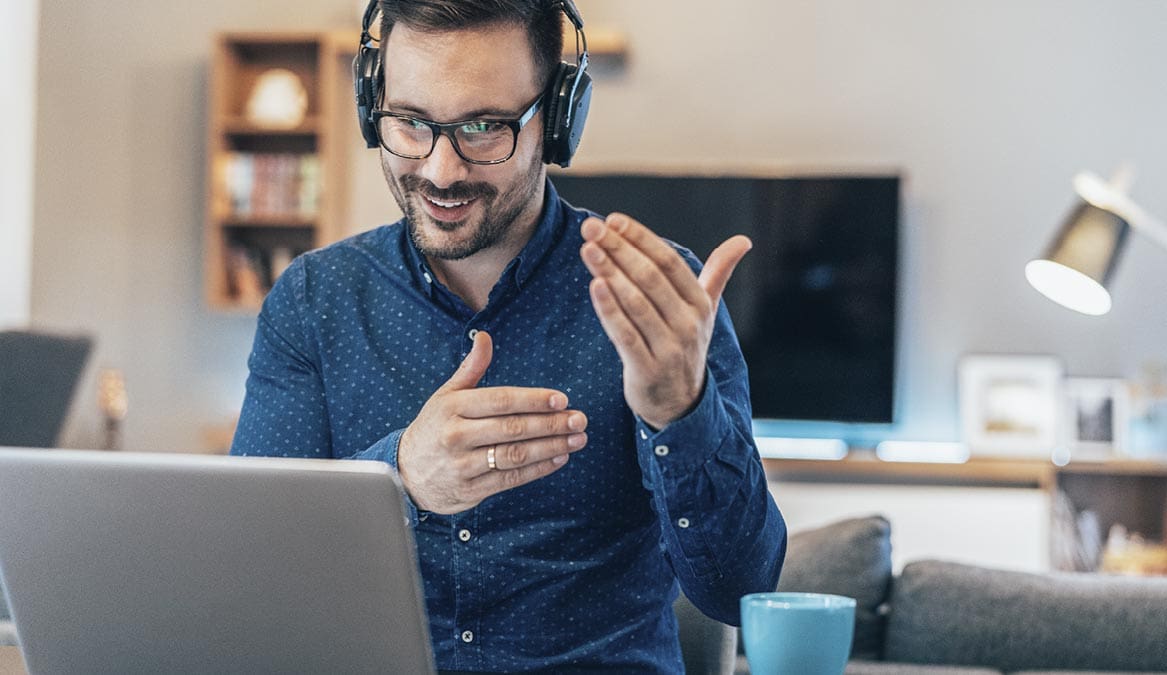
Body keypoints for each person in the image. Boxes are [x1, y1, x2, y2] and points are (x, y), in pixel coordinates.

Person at [231, 0, 786, 671]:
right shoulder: (313, 302)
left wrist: (681, 408)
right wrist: (399, 477)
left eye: (483, 127)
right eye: (409, 122)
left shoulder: (662, 300)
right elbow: (254, 570)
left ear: (555, 118)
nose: (439, 170)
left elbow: (741, 590)